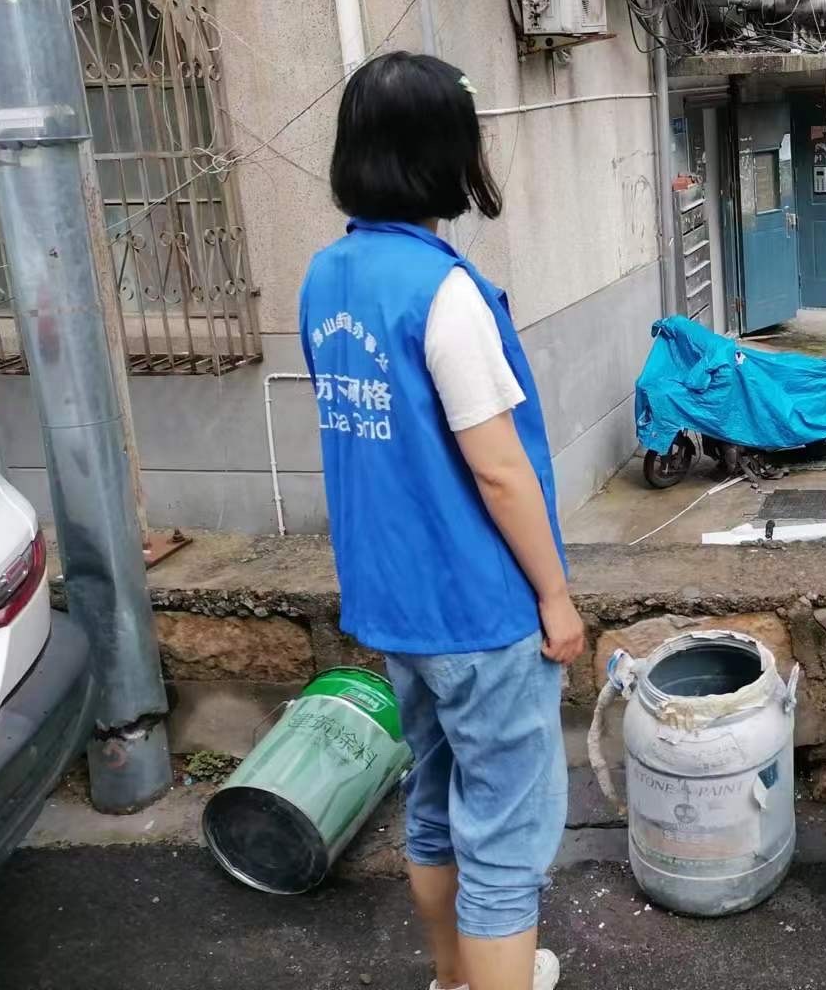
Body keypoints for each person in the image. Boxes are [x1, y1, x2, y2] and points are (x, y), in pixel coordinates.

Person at [299, 52, 586, 990]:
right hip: (478, 607)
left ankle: (454, 978)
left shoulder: (325, 277)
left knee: (431, 804)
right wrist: (555, 597)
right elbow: (499, 471)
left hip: (392, 605)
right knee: (504, 838)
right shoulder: (445, 291)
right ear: (444, 156)